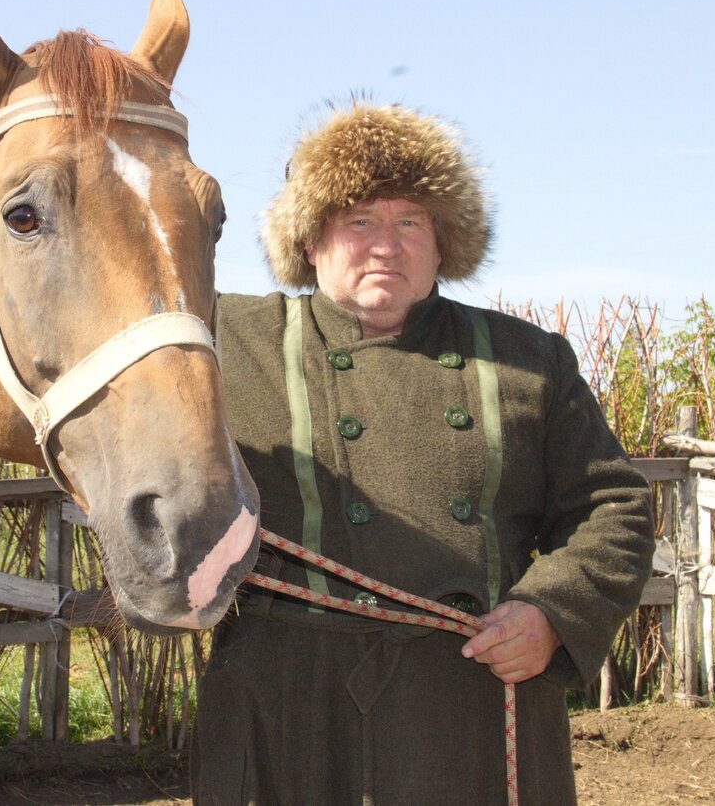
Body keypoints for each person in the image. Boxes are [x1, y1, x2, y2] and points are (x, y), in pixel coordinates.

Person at [191, 102, 654, 805]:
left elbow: (613, 506)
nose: (386, 245)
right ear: (311, 241)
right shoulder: (221, 341)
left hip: (473, 698)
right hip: (286, 709)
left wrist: (552, 615)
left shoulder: (528, 361)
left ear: (444, 245)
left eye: (410, 222)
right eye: (359, 221)